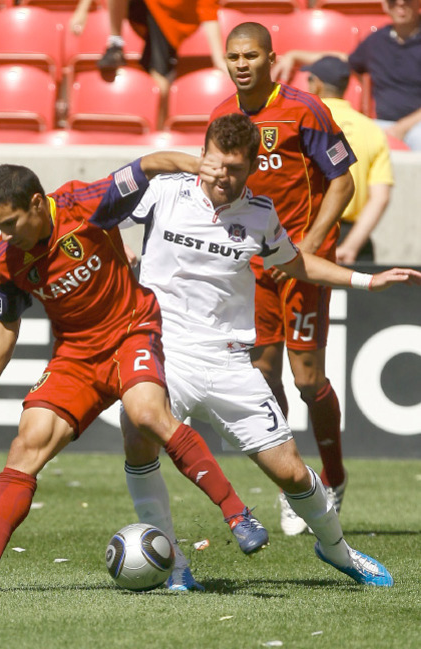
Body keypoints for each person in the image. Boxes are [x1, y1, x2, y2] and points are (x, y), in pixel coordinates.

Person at [0, 152, 270, 592]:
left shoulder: (84, 204)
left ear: (35, 202)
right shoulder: (8, 260)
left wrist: (197, 166)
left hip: (131, 331)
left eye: (10, 223)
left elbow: (149, 165)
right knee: (28, 440)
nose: (5, 235)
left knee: (146, 414)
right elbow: (6, 322)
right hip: (76, 357)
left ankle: (236, 511)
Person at [119, 113, 421, 589]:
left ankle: (338, 550)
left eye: (235, 169)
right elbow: (96, 215)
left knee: (294, 474)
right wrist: (121, 256)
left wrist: (367, 279)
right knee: (138, 434)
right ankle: (175, 564)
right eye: (215, 165)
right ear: (202, 157)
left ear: (253, 166)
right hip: (163, 350)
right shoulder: (164, 191)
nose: (222, 178)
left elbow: (297, 263)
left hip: (227, 361)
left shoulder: (259, 214)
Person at [210, 22, 356, 536]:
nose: (242, 64)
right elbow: (217, 188)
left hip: (301, 263)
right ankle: (296, 487)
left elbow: (343, 181)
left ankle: (334, 477)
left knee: (307, 379)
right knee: (265, 377)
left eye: (251, 55)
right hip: (252, 267)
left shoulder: (304, 109)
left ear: (271, 58)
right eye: (234, 56)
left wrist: (306, 247)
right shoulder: (221, 118)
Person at [272, 0, 421, 151]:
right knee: (345, 140)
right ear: (384, 5)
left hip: (417, 125)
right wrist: (295, 55)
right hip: (381, 124)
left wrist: (402, 128)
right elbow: (344, 59)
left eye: (408, 0)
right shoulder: (377, 41)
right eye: (393, 1)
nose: (401, 5)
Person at [70, 0, 227, 128]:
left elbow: (208, 12)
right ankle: (115, 44)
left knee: (160, 81)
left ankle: (158, 131)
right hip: (147, 7)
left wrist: (219, 59)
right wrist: (82, 9)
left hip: (171, 20)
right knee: (157, 75)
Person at [302, 56, 394, 264]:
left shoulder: (304, 121)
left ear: (316, 84)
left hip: (307, 230)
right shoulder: (372, 129)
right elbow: (380, 197)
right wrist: (351, 246)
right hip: (351, 238)